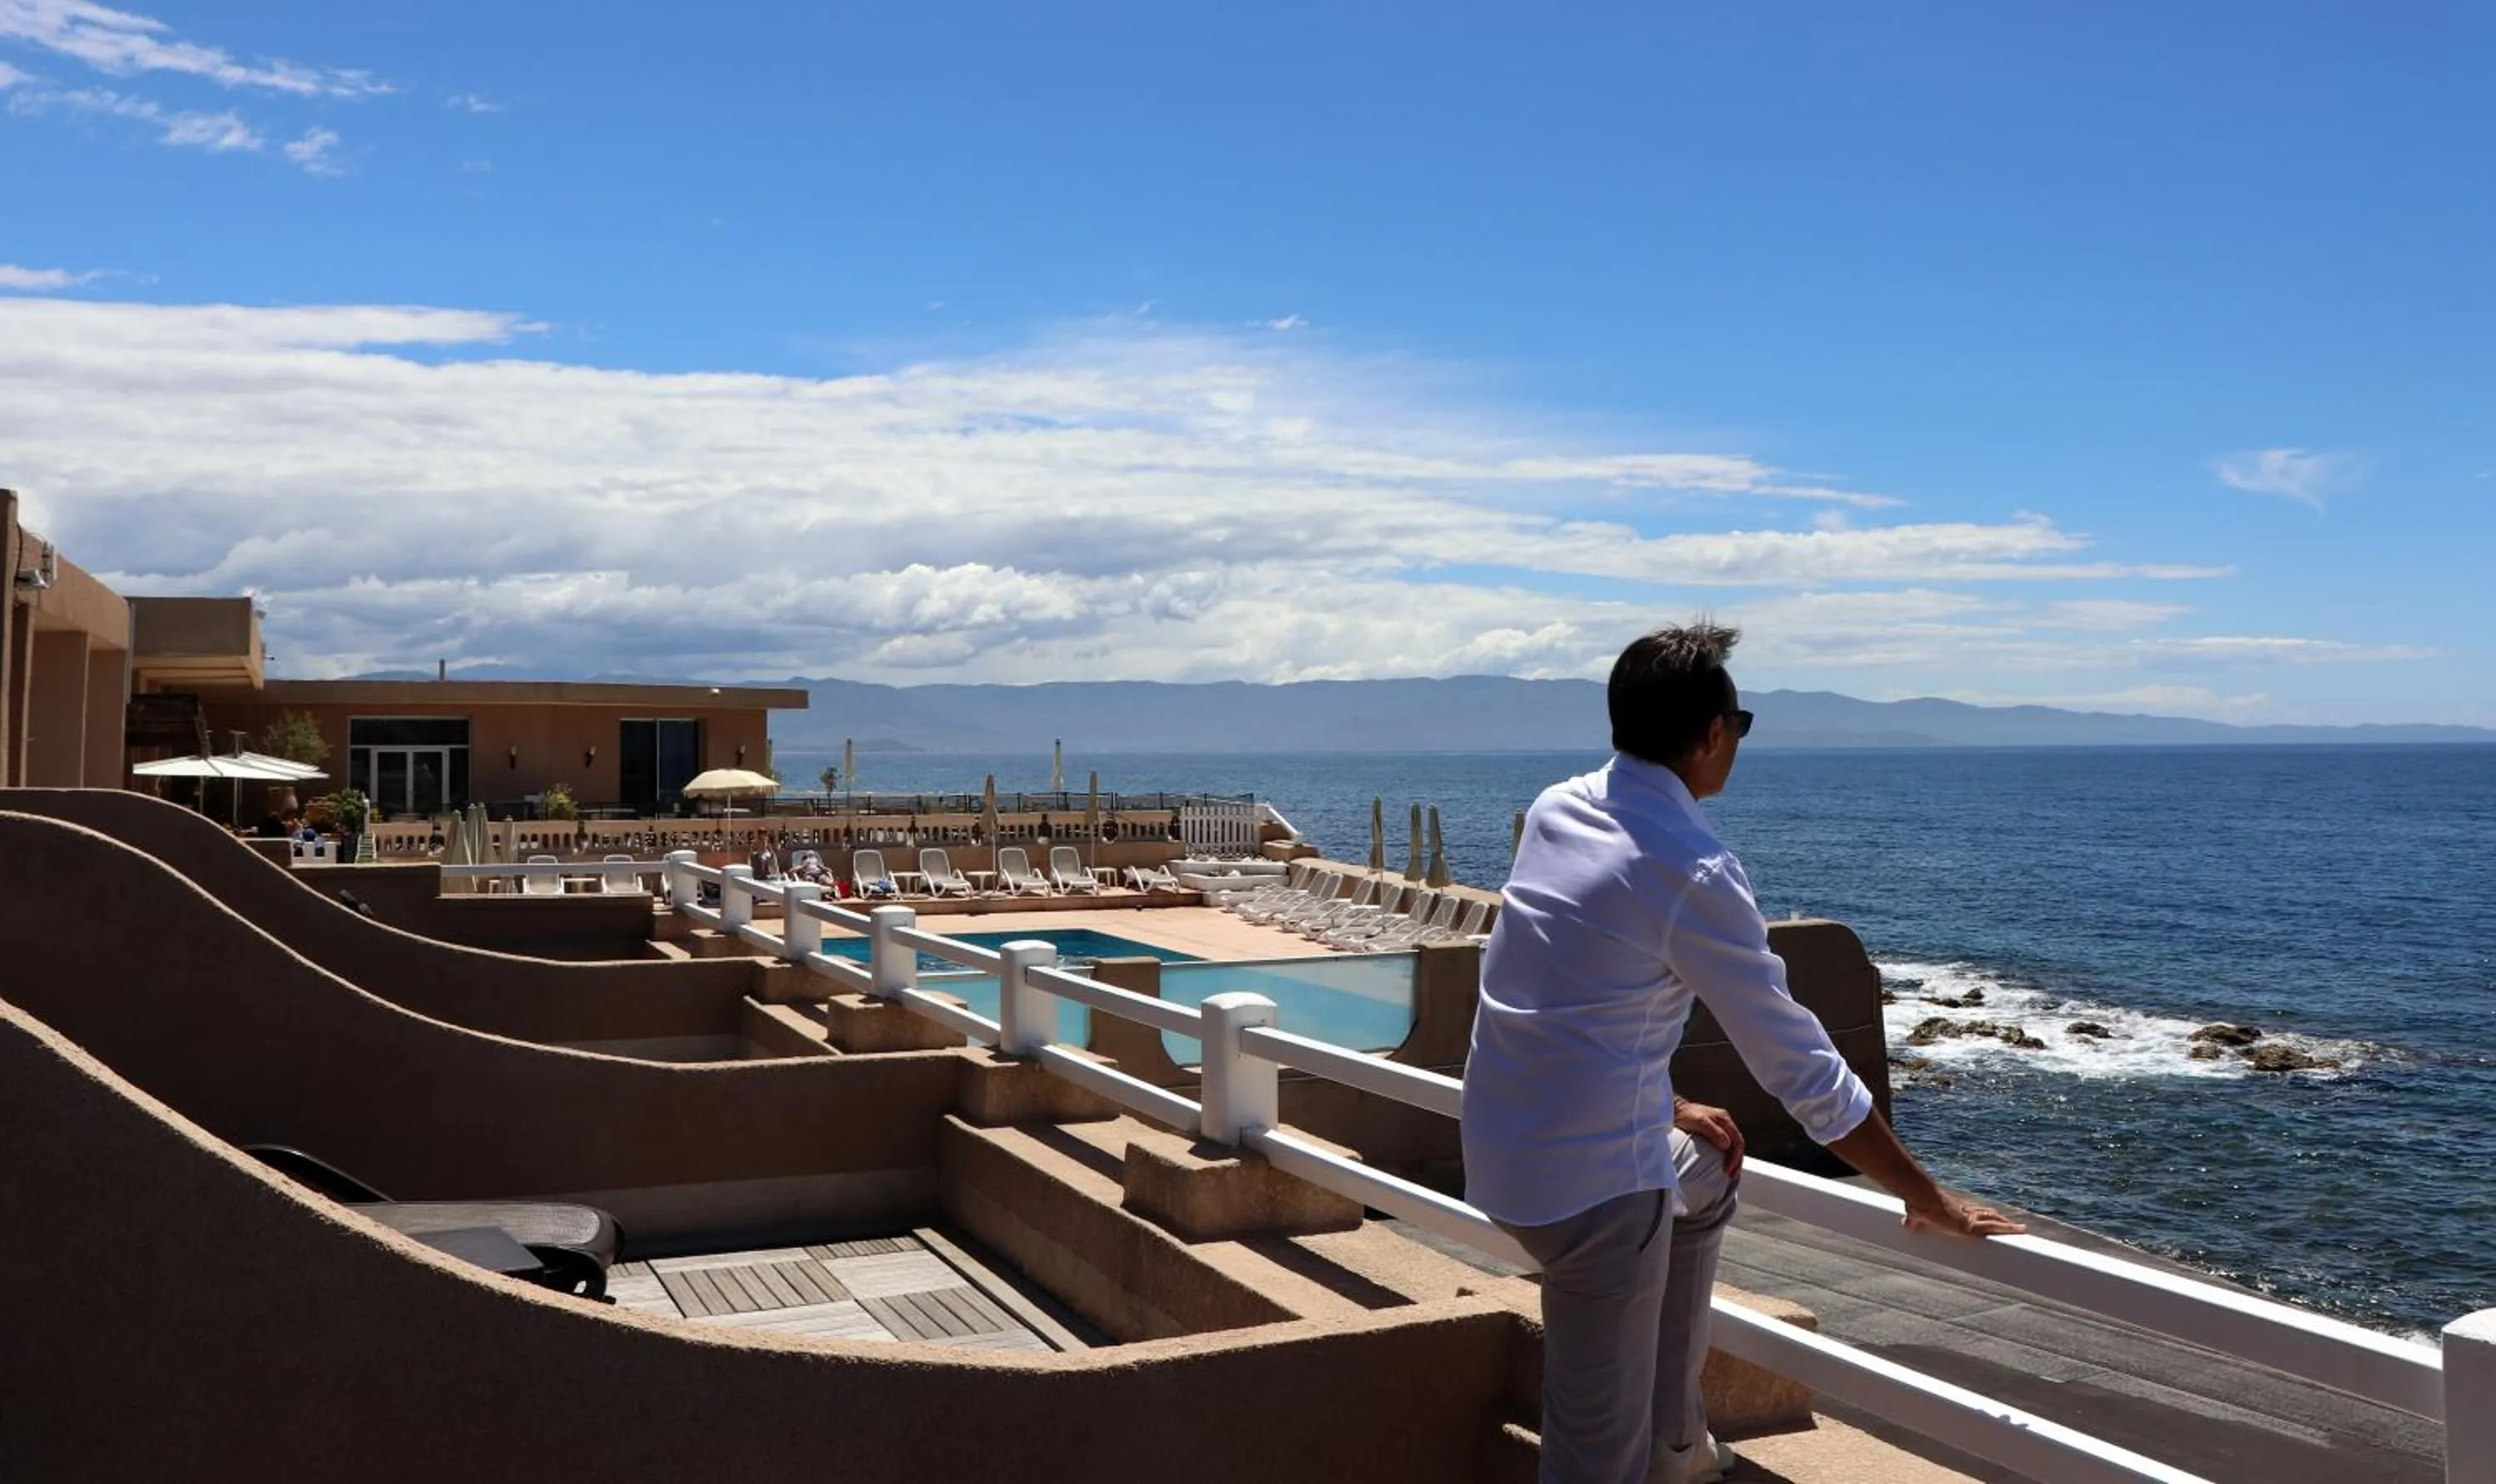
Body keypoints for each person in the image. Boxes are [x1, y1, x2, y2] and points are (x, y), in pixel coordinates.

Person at [1462, 622, 2025, 1484]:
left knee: (1705, 1170)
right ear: (1711, 735)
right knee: (1590, 1456)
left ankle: (1677, 1440)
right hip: (1590, 1193)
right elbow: (1798, 1065)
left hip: (1499, 1148)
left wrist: (1668, 1103)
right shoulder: (1694, 868)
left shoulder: (1557, 807)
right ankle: (1651, 1446)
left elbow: (1562, 996)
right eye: (1742, 722)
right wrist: (1923, 1193)